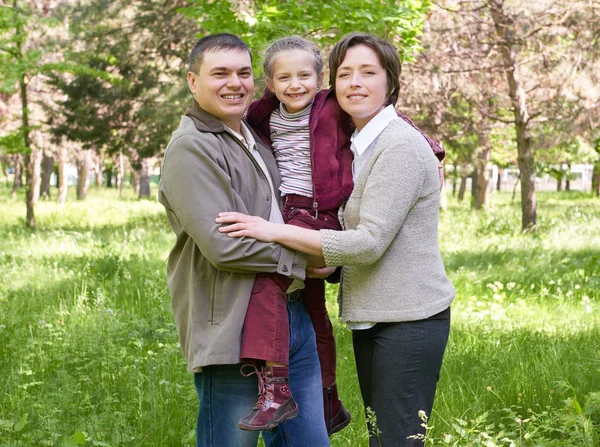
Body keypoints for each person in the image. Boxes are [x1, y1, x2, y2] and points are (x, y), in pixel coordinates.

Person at [216, 32, 455, 446]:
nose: (355, 83)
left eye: (368, 72)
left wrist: (271, 230)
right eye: (346, 73)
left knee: (397, 440)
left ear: (390, 81)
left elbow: (368, 242)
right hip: (376, 315)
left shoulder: (397, 145)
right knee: (382, 436)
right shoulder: (360, 143)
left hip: (409, 319)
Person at [158, 33, 330, 447]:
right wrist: (306, 260)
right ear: (192, 81)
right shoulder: (192, 148)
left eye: (242, 73)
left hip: (290, 316)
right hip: (232, 327)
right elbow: (224, 245)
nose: (234, 83)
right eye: (219, 73)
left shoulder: (251, 136)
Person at [236, 36, 353, 434]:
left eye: (304, 75)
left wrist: (430, 147)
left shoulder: (334, 108)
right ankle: (329, 401)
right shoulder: (260, 116)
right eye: (284, 77)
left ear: (321, 78)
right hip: (284, 211)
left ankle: (277, 389)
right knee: (313, 310)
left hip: (318, 214)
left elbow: (387, 116)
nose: (295, 84)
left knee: (270, 278)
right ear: (269, 82)